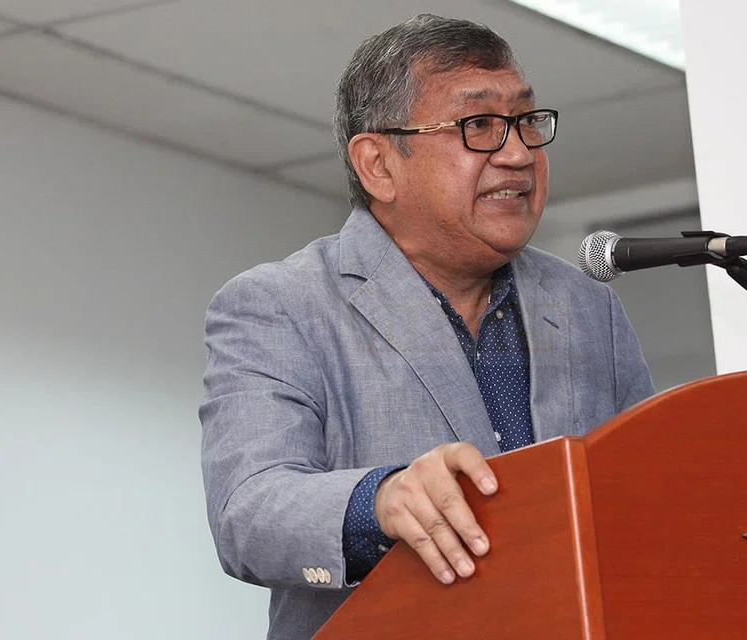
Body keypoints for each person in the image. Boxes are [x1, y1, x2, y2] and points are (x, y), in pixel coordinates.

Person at [200, 14, 654, 639]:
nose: (518, 153)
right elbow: (247, 513)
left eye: (526, 121)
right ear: (378, 165)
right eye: (479, 125)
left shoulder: (587, 307)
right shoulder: (282, 304)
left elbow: (645, 497)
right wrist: (381, 500)